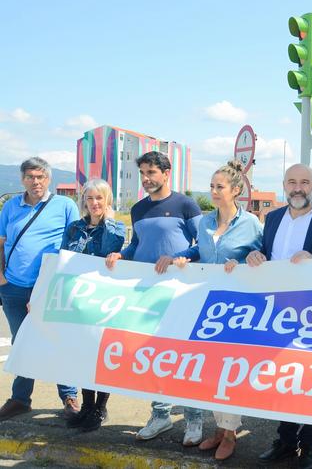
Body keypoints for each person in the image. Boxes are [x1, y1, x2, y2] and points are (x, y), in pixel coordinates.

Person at [162, 160, 263, 461]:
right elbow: (198, 250)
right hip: (205, 306)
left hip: (237, 307)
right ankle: (219, 430)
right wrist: (178, 258)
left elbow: (263, 257)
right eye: (212, 186)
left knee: (229, 369)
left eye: (220, 187)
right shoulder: (204, 222)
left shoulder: (252, 223)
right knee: (209, 369)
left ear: (235, 190)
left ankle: (230, 434)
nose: (214, 191)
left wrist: (244, 263)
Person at [251, 163, 312, 469]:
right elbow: (263, 252)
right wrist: (253, 255)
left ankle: (310, 445)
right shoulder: (272, 218)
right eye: (292, 182)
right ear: (283, 185)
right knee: (283, 379)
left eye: (304, 182)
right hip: (276, 314)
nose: (298, 188)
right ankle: (285, 440)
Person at [104, 151, 204, 445]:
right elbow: (137, 245)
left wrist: (176, 258)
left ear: (165, 173)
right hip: (147, 294)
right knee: (154, 355)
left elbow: (203, 245)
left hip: (181, 292)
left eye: (151, 173)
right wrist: (122, 254)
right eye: (143, 174)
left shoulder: (185, 204)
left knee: (185, 357)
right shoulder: (137, 209)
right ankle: (160, 415)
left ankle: (194, 419)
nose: (146, 179)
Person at [0, 157, 80, 421]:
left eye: (41, 177)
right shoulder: (11, 206)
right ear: (23, 179)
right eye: (31, 177)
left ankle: (69, 396)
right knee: (21, 342)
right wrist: (1, 276)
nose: (36, 182)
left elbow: (77, 243)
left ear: (49, 179)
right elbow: (1, 242)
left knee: (58, 340)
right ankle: (20, 399)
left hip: (49, 287)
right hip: (13, 287)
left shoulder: (64, 205)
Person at [61, 179, 125, 431]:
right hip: (78, 300)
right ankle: (87, 405)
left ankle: (100, 408)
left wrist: (107, 220)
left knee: (102, 356)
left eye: (100, 198)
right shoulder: (75, 228)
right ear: (84, 201)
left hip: (105, 300)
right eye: (90, 198)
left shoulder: (116, 227)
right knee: (83, 355)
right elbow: (64, 257)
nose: (95, 203)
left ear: (107, 200)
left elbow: (112, 249)